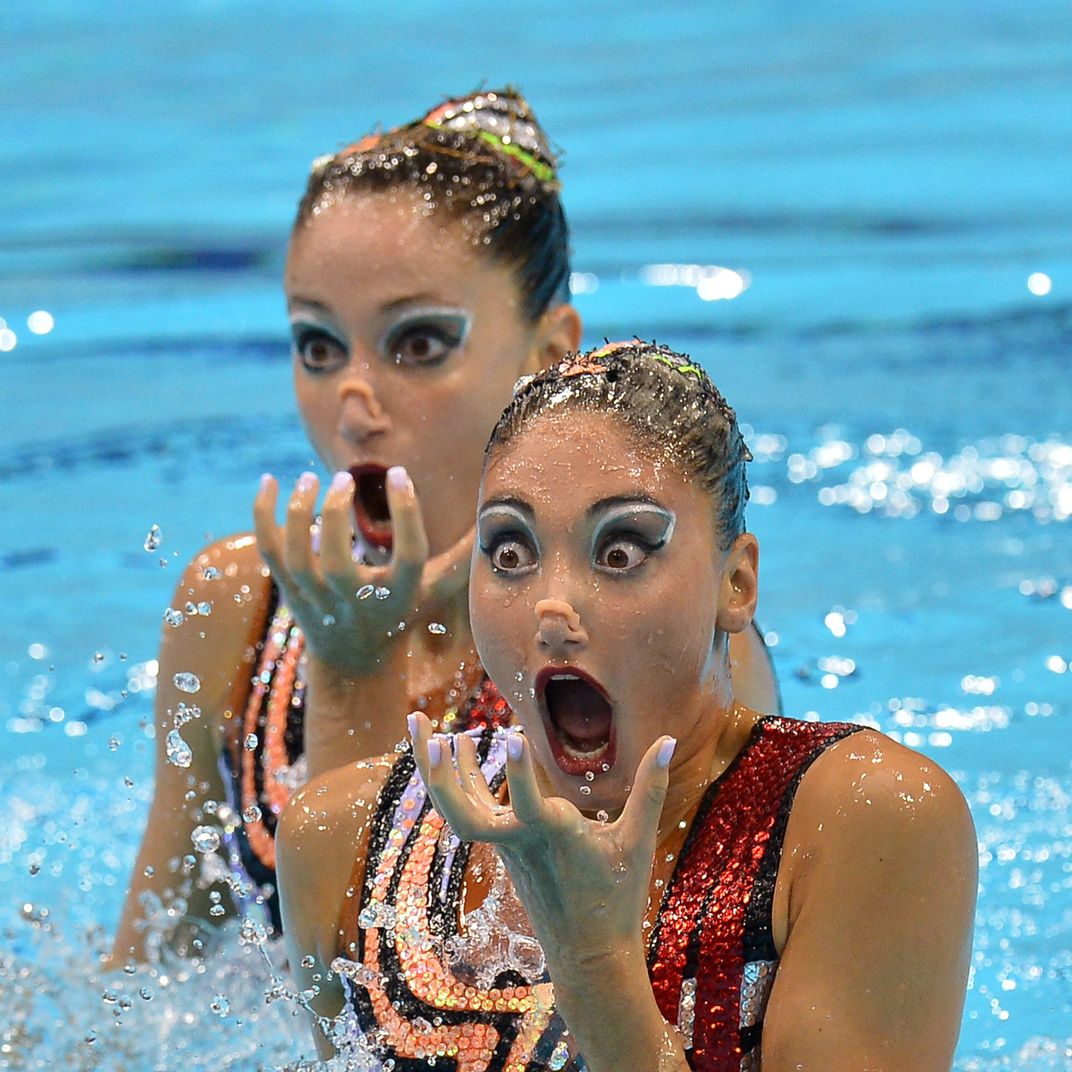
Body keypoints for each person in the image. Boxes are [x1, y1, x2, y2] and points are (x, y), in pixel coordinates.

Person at [109, 92, 784, 966]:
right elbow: (146, 982)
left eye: (418, 343)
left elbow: (610, 1021)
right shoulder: (241, 609)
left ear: (549, 355)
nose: (354, 400)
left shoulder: (649, 638)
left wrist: (355, 675)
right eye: (318, 345)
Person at [279, 342, 976, 1071]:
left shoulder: (860, 825)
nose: (552, 607)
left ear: (735, 583)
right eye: (510, 551)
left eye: (619, 551)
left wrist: (591, 961)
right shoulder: (343, 841)